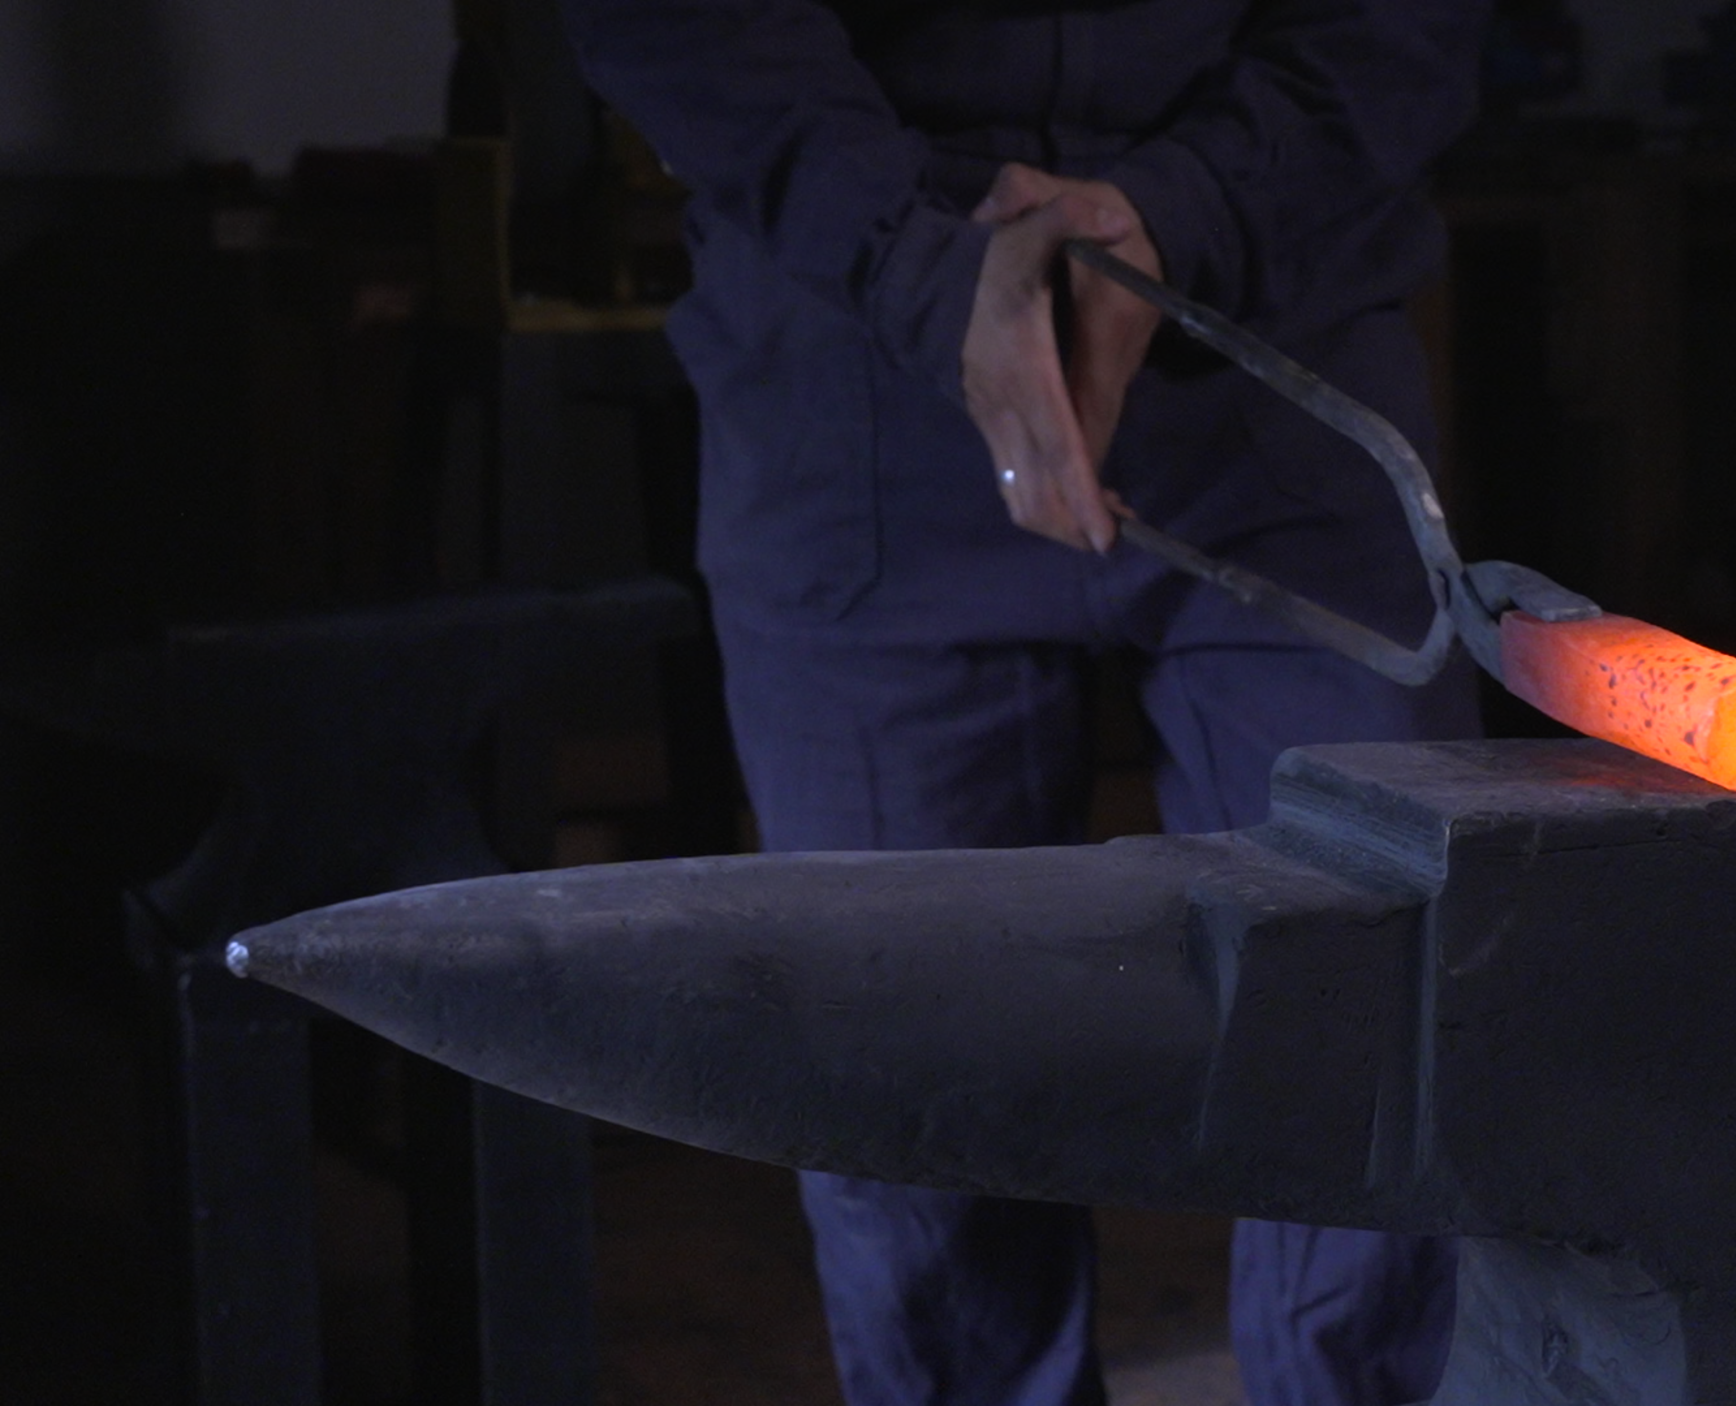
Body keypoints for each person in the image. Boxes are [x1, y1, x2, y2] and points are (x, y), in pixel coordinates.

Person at [558, 2, 1492, 1402]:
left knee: (1383, 1034)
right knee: (910, 1085)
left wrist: (1180, 211)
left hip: (1279, 358)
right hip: (856, 389)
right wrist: (929, 267)